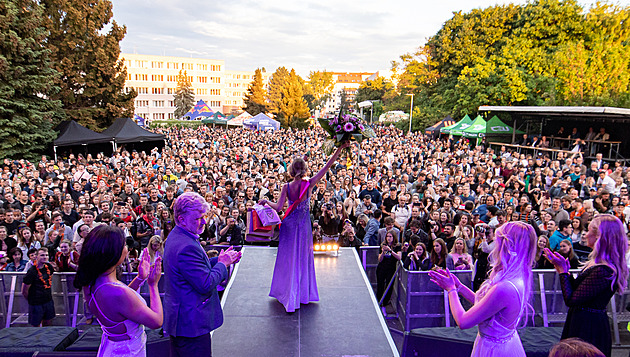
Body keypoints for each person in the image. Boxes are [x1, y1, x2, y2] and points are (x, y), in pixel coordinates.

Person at [429, 221, 537, 357]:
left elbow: (463, 321)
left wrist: (450, 290)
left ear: (506, 246)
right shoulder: (517, 275)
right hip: (499, 343)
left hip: (494, 350)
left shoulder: (504, 287)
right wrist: (460, 287)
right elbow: (485, 305)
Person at [163, 192, 241, 356]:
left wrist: (219, 260)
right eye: (198, 218)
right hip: (190, 324)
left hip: (183, 321)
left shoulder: (178, 236)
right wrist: (222, 264)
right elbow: (205, 283)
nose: (204, 221)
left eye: (204, 216)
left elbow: (192, 271)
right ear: (182, 218)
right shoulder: (186, 247)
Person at [544, 214, 628, 357]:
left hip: (588, 327)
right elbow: (578, 290)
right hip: (582, 320)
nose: (585, 234)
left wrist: (563, 272)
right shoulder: (597, 263)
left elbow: (572, 299)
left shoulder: (603, 270)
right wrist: (564, 270)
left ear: (599, 237)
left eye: (589, 231)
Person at [74, 225, 163, 357]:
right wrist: (153, 285)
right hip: (126, 351)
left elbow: (120, 306)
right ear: (114, 252)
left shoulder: (92, 281)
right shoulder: (116, 292)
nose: (127, 249)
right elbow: (156, 321)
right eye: (124, 245)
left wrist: (140, 278)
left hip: (113, 347)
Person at [21, 248, 56, 326]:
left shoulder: (49, 267)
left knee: (48, 323)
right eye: (42, 255)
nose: (45, 257)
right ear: (36, 256)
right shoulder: (31, 271)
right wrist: (31, 299)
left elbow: (50, 279)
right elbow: (24, 290)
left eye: (46, 255)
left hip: (48, 300)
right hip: (36, 303)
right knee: (35, 325)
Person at [376, 230, 401, 306]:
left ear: (394, 237)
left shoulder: (397, 246)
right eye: (387, 236)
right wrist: (383, 252)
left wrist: (391, 250)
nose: (388, 238)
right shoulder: (383, 245)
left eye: (390, 236)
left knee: (389, 286)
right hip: (382, 268)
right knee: (380, 285)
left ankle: (385, 302)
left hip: (391, 268)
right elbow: (380, 259)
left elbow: (399, 257)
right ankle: (378, 302)